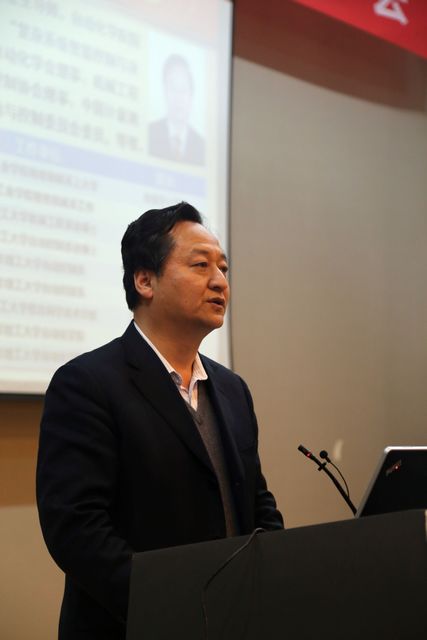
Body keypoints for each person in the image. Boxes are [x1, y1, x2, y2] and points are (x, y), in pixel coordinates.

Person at [36, 202, 283, 640]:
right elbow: (76, 530)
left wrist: (272, 580)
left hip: (234, 621)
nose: (219, 281)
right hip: (136, 625)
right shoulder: (87, 383)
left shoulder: (232, 389)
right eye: (201, 265)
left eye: (223, 268)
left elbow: (257, 503)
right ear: (144, 280)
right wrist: (168, 605)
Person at [148, 54, 205, 165]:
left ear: (191, 96)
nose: (178, 97)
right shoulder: (150, 134)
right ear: (165, 92)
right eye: (173, 88)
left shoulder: (202, 146)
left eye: (183, 89)